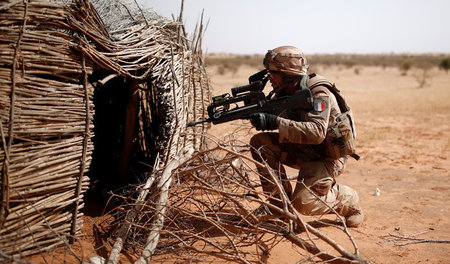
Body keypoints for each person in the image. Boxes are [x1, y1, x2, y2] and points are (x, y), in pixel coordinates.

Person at [249, 46, 364, 227]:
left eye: (273, 72)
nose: (269, 77)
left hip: (327, 156)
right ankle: (279, 210)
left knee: (304, 203)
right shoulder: (285, 91)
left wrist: (275, 122)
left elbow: (317, 133)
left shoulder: (319, 93)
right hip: (303, 149)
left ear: (288, 74)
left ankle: (348, 199)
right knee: (260, 143)